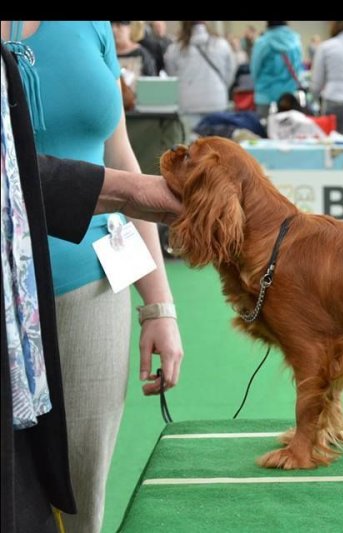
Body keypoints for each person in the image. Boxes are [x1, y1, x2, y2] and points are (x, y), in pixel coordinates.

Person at [1, 21, 185, 533]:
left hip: (94, 280)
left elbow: (120, 158)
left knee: (84, 490)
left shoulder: (91, 25)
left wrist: (159, 305)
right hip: (8, 294)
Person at [164, 21, 236, 135]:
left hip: (188, 105)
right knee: (217, 146)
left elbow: (172, 76)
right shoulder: (222, 44)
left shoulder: (174, 49)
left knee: (193, 147)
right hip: (217, 102)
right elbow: (230, 72)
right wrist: (220, 87)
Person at [250, 21, 305, 120]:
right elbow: (299, 68)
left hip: (265, 97)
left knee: (264, 131)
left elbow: (254, 71)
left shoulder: (262, 42)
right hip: (288, 98)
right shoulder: (296, 41)